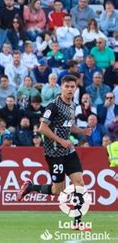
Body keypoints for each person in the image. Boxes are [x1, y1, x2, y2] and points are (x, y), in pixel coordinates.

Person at [17, 75, 93, 230]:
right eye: (67, 86)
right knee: (57, 190)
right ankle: (30, 187)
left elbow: (68, 126)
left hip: (68, 150)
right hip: (54, 152)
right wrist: (61, 141)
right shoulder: (53, 106)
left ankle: (77, 223)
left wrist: (81, 131)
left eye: (73, 87)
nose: (70, 89)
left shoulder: (72, 105)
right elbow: (42, 128)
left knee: (79, 183)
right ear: (61, 87)